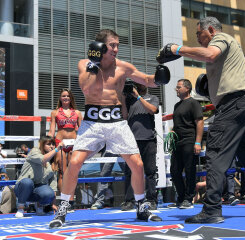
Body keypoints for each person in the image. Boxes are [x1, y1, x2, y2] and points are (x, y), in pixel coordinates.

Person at [157, 16, 245, 223]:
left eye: (199, 33)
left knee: (215, 150)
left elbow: (210, 54)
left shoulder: (221, 39)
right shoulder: (226, 50)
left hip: (234, 105)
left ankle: (212, 209)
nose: (197, 38)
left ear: (212, 31)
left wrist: (176, 49)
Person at [49, 29, 169, 228]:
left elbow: (146, 80)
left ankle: (141, 206)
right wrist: (94, 64)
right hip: (92, 122)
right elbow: (85, 88)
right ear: (101, 47)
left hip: (116, 122)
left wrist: (159, 77)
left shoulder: (123, 67)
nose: (116, 49)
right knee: (75, 163)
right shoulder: (84, 64)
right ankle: (62, 209)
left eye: (117, 45)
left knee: (137, 164)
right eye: (112, 45)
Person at [121, 82, 160, 210]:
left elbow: (153, 110)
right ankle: (129, 201)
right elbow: (124, 116)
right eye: (137, 83)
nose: (139, 85)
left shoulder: (152, 98)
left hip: (148, 139)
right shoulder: (129, 100)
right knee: (130, 171)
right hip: (132, 141)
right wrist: (123, 98)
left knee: (150, 171)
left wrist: (138, 97)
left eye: (141, 83)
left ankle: (151, 200)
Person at [167, 79, 204, 209]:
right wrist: (172, 132)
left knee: (190, 170)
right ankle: (181, 197)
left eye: (178, 87)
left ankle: (189, 198)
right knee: (174, 171)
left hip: (189, 140)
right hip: (177, 142)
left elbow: (199, 122)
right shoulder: (177, 106)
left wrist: (198, 142)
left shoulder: (194, 103)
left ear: (187, 88)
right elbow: (178, 123)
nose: (176, 89)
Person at [48, 88, 82, 209]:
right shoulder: (55, 112)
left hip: (74, 143)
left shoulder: (77, 113)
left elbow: (82, 130)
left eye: (67, 96)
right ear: (60, 98)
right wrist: (46, 142)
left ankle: (71, 201)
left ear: (71, 98)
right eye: (63, 96)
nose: (66, 97)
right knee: (62, 173)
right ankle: (64, 201)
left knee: (72, 173)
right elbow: (52, 130)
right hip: (60, 143)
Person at [14, 136, 63, 218]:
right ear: (42, 145)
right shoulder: (35, 151)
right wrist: (57, 149)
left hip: (37, 188)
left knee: (49, 194)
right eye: (48, 144)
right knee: (27, 182)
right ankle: (20, 208)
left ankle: (39, 206)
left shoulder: (53, 162)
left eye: (53, 144)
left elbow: (53, 185)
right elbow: (43, 159)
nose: (52, 146)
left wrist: (53, 204)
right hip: (22, 187)